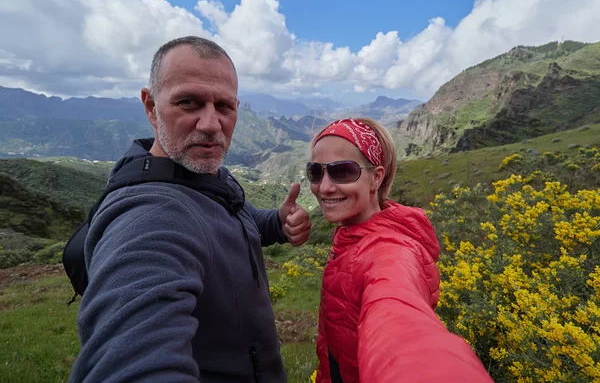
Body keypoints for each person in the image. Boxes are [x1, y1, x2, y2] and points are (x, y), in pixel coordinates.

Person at [69, 36, 311, 382]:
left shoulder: (206, 174)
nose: (211, 124)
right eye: (189, 102)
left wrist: (275, 223)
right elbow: (130, 361)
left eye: (224, 106)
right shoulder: (151, 216)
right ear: (151, 107)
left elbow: (233, 219)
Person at [307, 118, 493, 382]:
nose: (324, 186)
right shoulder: (351, 233)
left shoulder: (390, 252)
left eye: (343, 171)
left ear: (376, 178)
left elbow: (399, 320)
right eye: (315, 171)